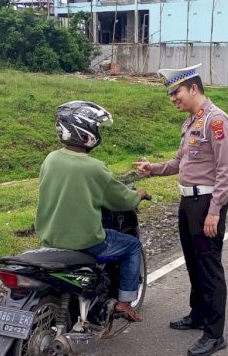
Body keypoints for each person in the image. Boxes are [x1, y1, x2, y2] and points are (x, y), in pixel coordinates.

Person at [133, 64, 228, 356]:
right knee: (193, 261)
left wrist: (215, 210)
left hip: (206, 204)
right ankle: (199, 314)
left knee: (209, 266)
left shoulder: (216, 121)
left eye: (175, 92)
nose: (172, 99)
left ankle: (215, 334)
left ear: (193, 88)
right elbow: (180, 162)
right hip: (188, 203)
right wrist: (152, 169)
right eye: (169, 94)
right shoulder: (192, 121)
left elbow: (225, 171)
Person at [35, 100, 147, 322]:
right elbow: (121, 200)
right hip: (85, 242)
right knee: (133, 246)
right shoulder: (94, 167)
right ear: (85, 130)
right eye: (96, 126)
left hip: (50, 238)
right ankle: (124, 303)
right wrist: (139, 195)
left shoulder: (51, 159)